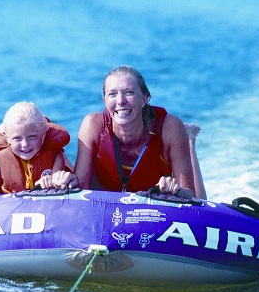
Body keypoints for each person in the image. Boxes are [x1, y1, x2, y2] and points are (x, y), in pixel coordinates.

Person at [74, 65, 207, 199]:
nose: (120, 101)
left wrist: (175, 190)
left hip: (153, 208)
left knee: (201, 203)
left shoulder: (169, 128)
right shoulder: (93, 125)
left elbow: (190, 195)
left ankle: (189, 140)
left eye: (129, 92)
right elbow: (79, 190)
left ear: (144, 99)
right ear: (105, 101)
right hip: (106, 208)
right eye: (112, 94)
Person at [0, 101, 78, 198]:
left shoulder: (56, 157)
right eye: (17, 138)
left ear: (43, 133)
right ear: (7, 137)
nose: (25, 144)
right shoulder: (0, 161)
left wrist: (52, 182)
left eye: (32, 137)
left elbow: (59, 182)